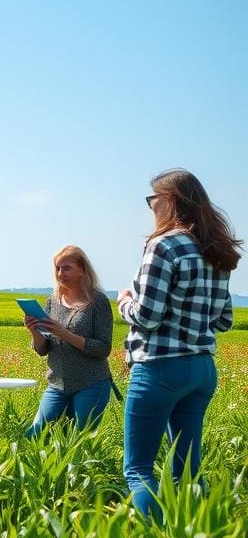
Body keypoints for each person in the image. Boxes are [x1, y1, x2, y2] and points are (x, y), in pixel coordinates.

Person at [118, 169, 241, 518]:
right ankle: (195, 526)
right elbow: (224, 320)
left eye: (152, 200)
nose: (151, 207)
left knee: (138, 469)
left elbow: (147, 316)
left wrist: (123, 300)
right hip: (202, 369)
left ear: (169, 200)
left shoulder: (163, 244)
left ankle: (157, 529)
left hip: (160, 366)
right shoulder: (215, 249)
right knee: (187, 469)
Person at [23, 245, 113, 437]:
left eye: (66, 268)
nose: (60, 273)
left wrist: (66, 335)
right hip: (57, 383)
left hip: (91, 383)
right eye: (57, 268)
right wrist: (35, 331)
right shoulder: (52, 301)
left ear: (82, 269)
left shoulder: (98, 301)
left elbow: (103, 348)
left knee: (79, 440)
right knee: (36, 433)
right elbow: (42, 349)